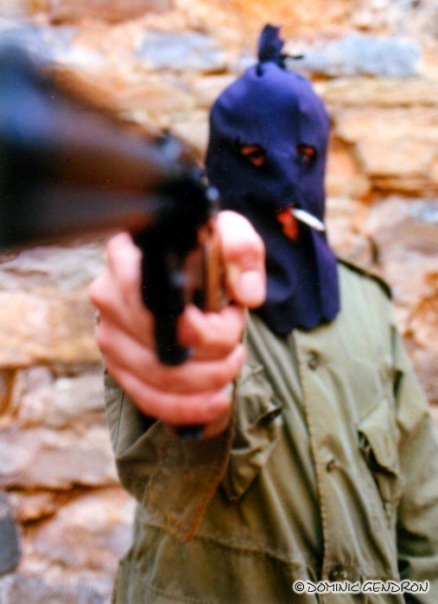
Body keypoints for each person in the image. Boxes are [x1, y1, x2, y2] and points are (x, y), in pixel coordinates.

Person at [89, 25, 438, 603]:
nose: (283, 182)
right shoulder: (203, 297)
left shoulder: (369, 307)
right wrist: (168, 321)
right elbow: (172, 460)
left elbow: (421, 499)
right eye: (255, 157)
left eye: (303, 157)